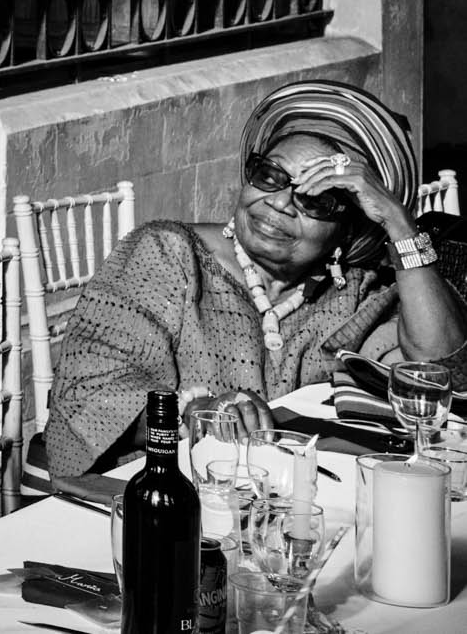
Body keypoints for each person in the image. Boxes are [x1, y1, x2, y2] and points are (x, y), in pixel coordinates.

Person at [44, 79, 467, 476]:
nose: (281, 203)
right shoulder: (166, 254)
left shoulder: (356, 291)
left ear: (351, 228)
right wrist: (198, 411)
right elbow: (87, 390)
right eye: (271, 176)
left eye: (316, 199)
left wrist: (397, 222)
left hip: (278, 502)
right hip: (151, 499)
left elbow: (439, 374)